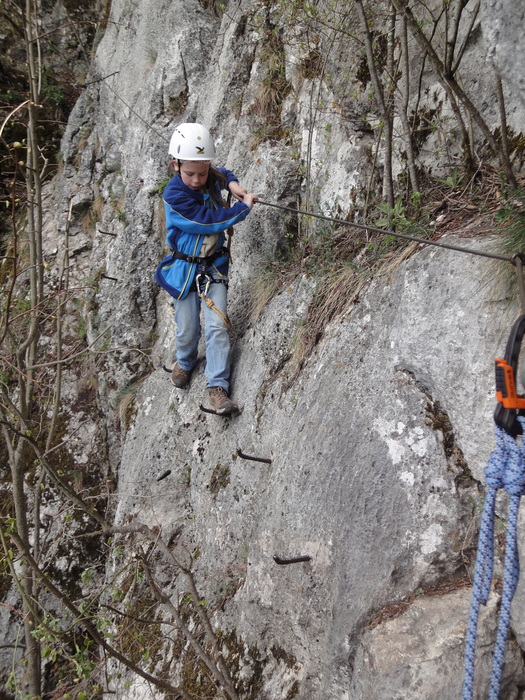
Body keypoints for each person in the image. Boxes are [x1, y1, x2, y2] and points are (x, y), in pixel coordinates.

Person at [155, 123, 258, 415]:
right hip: (184, 268)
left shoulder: (207, 175)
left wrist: (234, 186)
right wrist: (242, 208)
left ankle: (217, 387)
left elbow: (222, 174)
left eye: (202, 172)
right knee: (187, 327)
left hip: (213, 265)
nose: (198, 180)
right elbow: (205, 221)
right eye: (190, 173)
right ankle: (185, 361)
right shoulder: (174, 195)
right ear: (175, 164)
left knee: (217, 327)